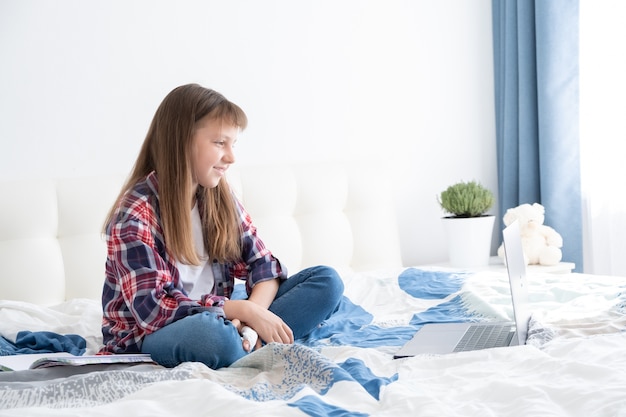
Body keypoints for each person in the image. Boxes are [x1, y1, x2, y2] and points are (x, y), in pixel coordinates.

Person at [99, 84, 344, 369]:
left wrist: (252, 316)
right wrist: (239, 309)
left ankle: (250, 341)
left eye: (233, 144)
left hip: (225, 317)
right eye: (220, 143)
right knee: (214, 337)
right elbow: (153, 310)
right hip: (154, 333)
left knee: (328, 282)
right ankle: (249, 344)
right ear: (181, 141)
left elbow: (264, 267)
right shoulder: (135, 213)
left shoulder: (218, 197)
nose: (231, 157)